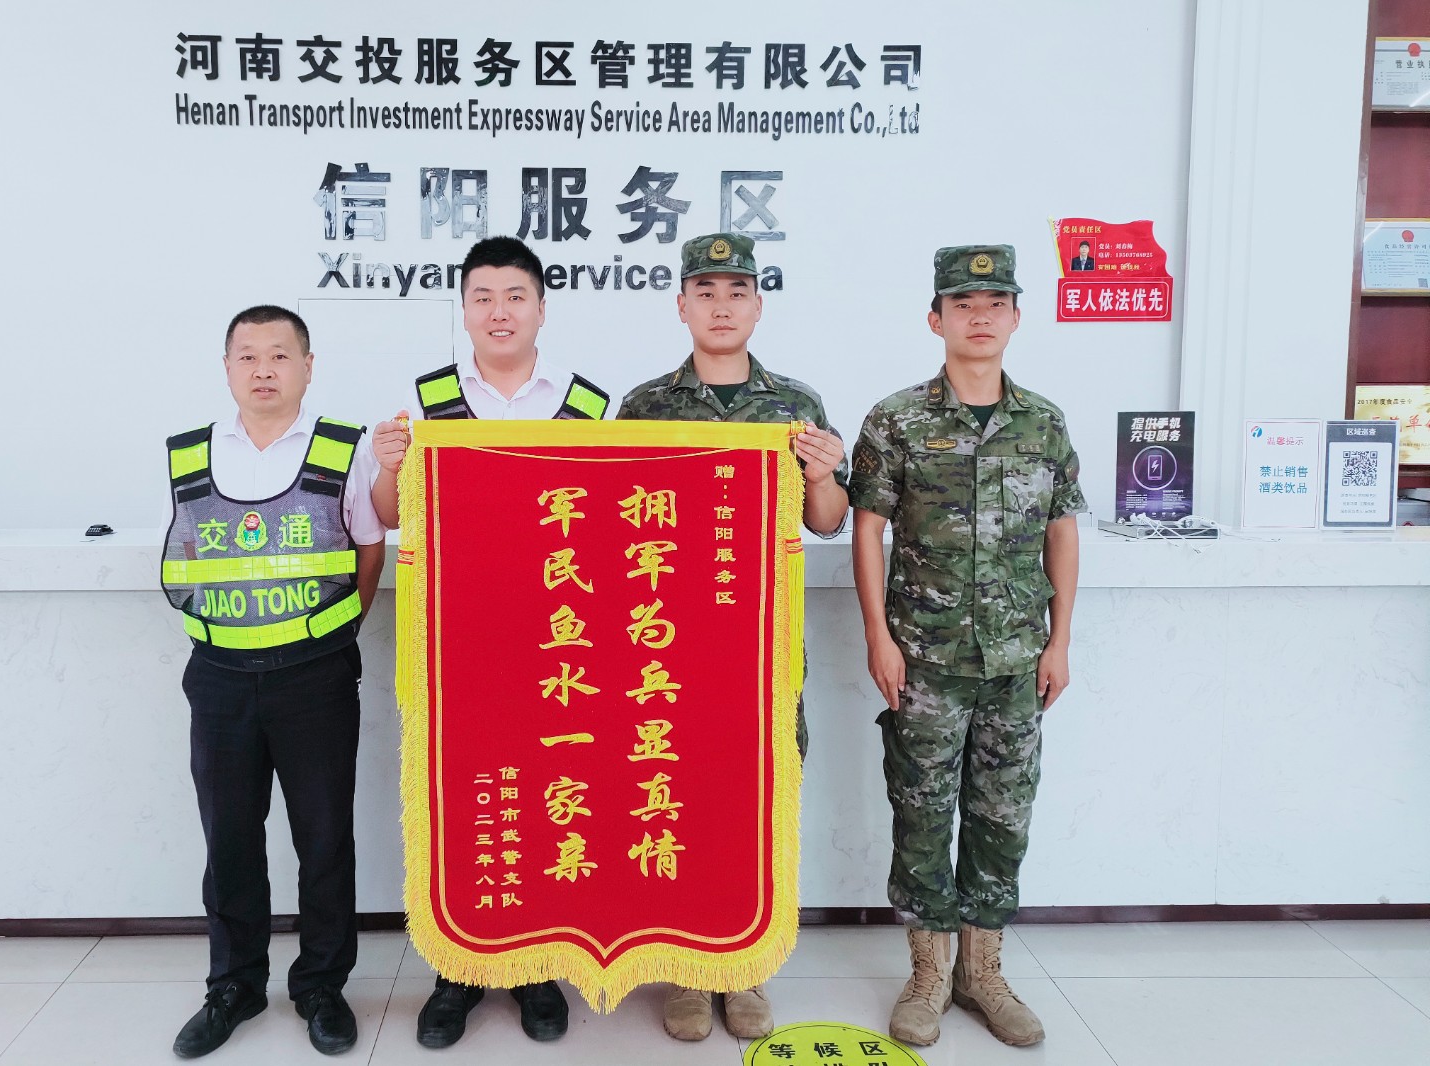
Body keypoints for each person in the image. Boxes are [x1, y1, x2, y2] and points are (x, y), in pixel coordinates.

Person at [371, 236, 608, 1048]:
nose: (498, 312)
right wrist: (388, 465)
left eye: (514, 296)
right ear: (464, 310)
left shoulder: (587, 409)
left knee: (546, 801)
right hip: (457, 648)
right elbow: (392, 515)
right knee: (462, 803)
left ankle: (537, 968)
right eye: (483, 297)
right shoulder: (428, 404)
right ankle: (457, 970)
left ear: (541, 308)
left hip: (558, 649)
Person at [848, 245, 1084, 1049]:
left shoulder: (1043, 422)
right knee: (920, 812)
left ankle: (983, 972)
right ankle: (927, 973)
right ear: (936, 319)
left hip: (1017, 660)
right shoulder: (897, 419)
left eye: (994, 303)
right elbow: (868, 530)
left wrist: (1060, 641)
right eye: (962, 304)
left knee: (1002, 815)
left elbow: (1061, 530)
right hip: (924, 658)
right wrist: (878, 635)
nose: (979, 317)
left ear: (1016, 317)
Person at [616, 232, 850, 1042]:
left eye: (737, 292)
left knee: (757, 803)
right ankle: (686, 968)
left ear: (758, 306)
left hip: (760, 648)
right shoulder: (644, 408)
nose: (722, 307)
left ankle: (746, 965)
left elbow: (829, 520)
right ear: (681, 306)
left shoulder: (796, 404)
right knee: (674, 797)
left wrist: (822, 472)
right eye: (706, 292)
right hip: (667, 647)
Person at [161, 305, 387, 1057]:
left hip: (315, 676)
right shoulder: (192, 456)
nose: (264, 369)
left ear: (307, 366)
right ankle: (235, 983)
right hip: (220, 677)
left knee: (323, 837)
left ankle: (321, 984)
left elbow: (368, 545)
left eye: (280, 355)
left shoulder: (344, 449)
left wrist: (335, 634)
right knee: (228, 835)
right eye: (248, 356)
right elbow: (187, 554)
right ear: (227, 368)